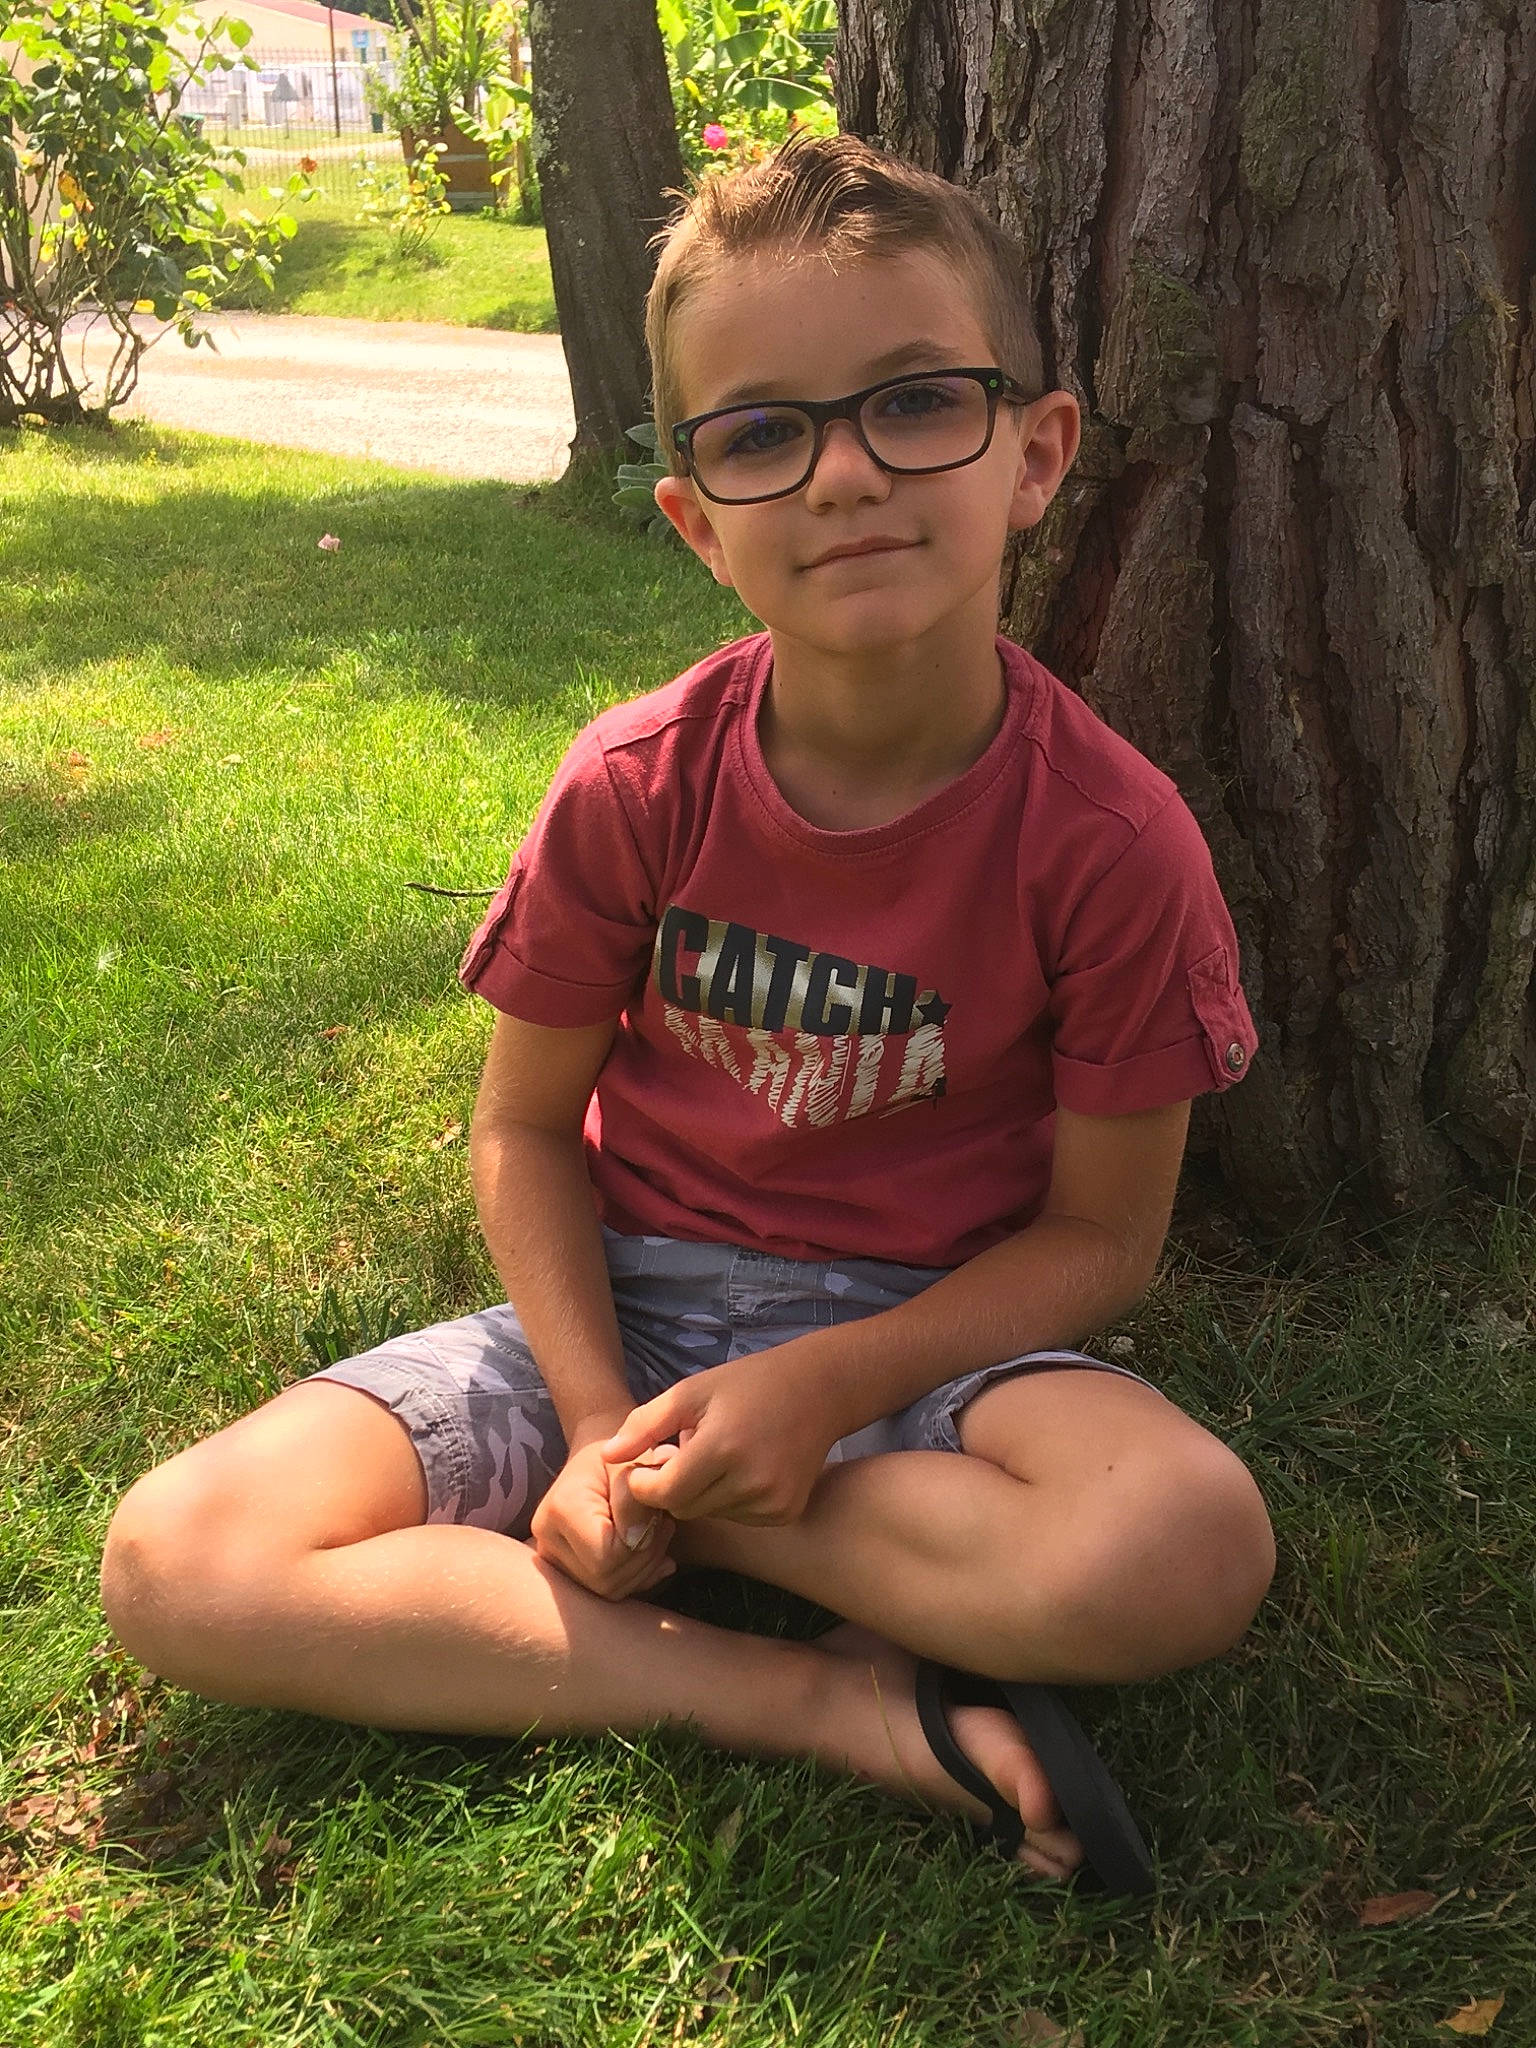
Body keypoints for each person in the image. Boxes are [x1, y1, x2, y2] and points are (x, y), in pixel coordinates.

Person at [101, 133, 1275, 1890]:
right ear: (693, 518)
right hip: (621, 1311)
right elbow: (518, 1130)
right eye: (761, 433)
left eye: (913, 404)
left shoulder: (1112, 841)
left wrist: (820, 1391)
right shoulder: (636, 781)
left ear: (1037, 452)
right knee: (179, 1557)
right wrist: (592, 1424)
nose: (845, 476)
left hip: (926, 1354)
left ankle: (690, 1539)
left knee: (1182, 1548)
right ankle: (823, 1703)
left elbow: (1104, 1243)